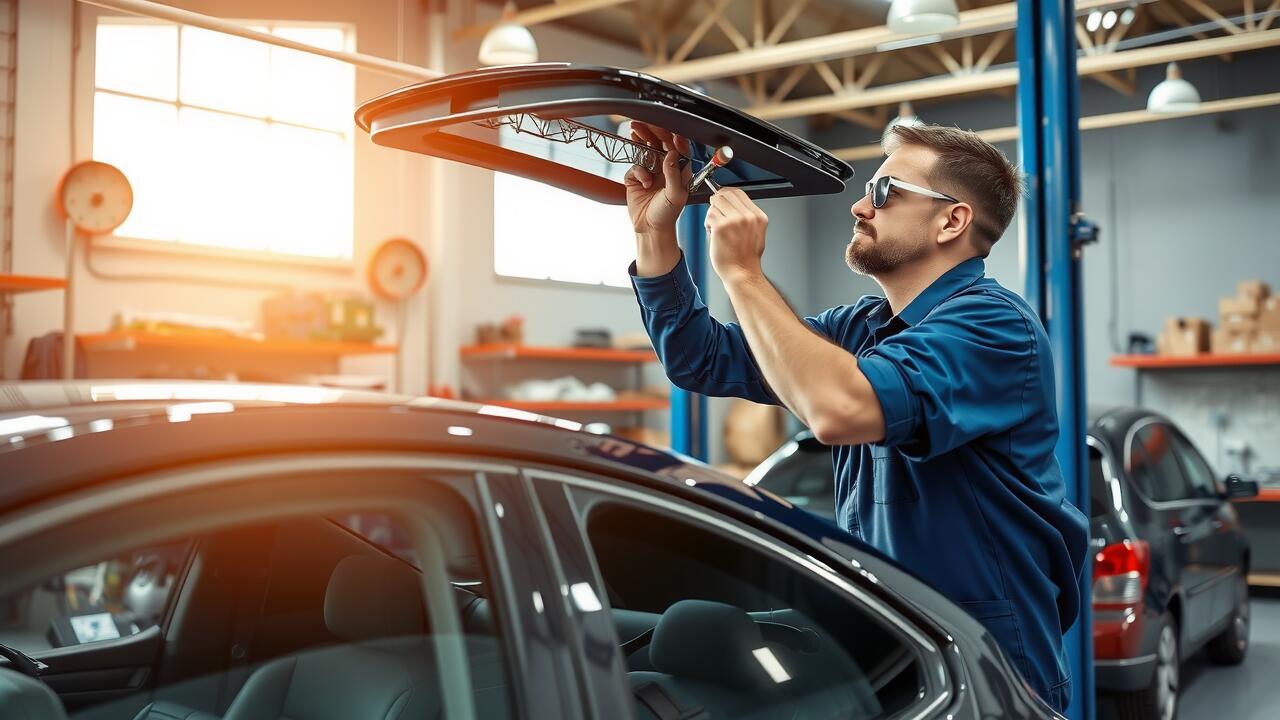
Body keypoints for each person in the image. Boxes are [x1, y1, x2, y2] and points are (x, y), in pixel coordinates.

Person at [623, 121, 1089, 713]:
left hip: (988, 669)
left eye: (887, 192)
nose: (862, 205)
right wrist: (655, 234)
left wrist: (742, 272)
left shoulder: (996, 328)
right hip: (894, 648)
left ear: (953, 220)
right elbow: (702, 359)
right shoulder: (859, 328)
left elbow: (839, 408)